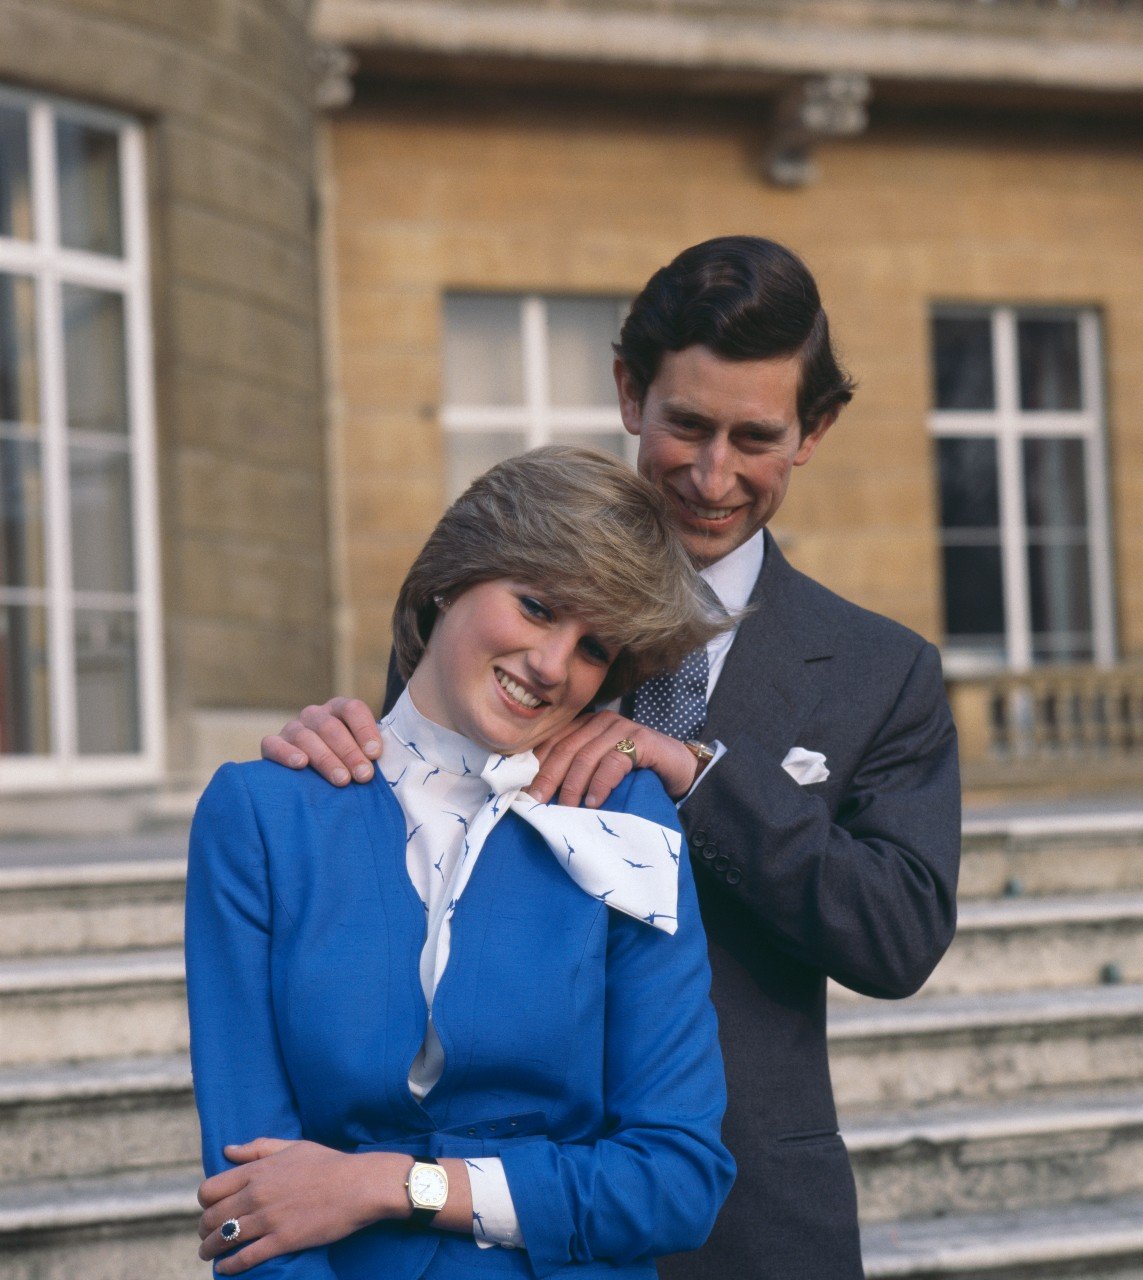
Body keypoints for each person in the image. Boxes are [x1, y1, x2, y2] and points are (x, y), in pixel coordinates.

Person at [262, 236, 962, 1280]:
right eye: (686, 423)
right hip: (497, 1217)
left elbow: (898, 935)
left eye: (754, 436)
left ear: (813, 432)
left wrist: (698, 774)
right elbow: (404, 835)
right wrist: (335, 753)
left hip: (751, 1216)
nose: (712, 473)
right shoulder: (501, 607)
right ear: (630, 391)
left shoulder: (883, 670)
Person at [187, 446, 736, 1279]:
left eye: (594, 648)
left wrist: (392, 1186)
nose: (554, 667)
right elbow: (249, 1197)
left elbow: (677, 1180)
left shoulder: (626, 817)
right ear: (449, 579)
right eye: (537, 606)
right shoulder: (262, 816)